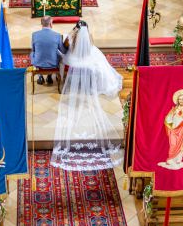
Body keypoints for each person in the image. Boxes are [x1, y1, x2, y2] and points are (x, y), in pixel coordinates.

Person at [51, 20, 122, 171]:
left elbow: (65, 49)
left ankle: (62, 78)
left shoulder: (71, 37)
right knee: (99, 60)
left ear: (76, 28)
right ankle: (91, 82)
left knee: (61, 57)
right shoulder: (89, 37)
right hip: (86, 60)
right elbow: (89, 50)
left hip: (74, 60)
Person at [159, 90, 183, 170]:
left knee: (182, 144)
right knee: (173, 144)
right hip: (174, 129)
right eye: (180, 99)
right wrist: (172, 116)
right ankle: (171, 159)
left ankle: (179, 159)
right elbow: (167, 119)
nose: (181, 100)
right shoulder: (174, 109)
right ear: (177, 100)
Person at [31, 16, 67, 84]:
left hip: (38, 64)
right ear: (50, 23)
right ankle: (49, 76)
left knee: (33, 52)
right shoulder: (57, 35)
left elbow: (33, 49)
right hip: (53, 64)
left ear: (41, 24)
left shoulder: (34, 35)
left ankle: (40, 76)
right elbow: (63, 51)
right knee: (56, 52)